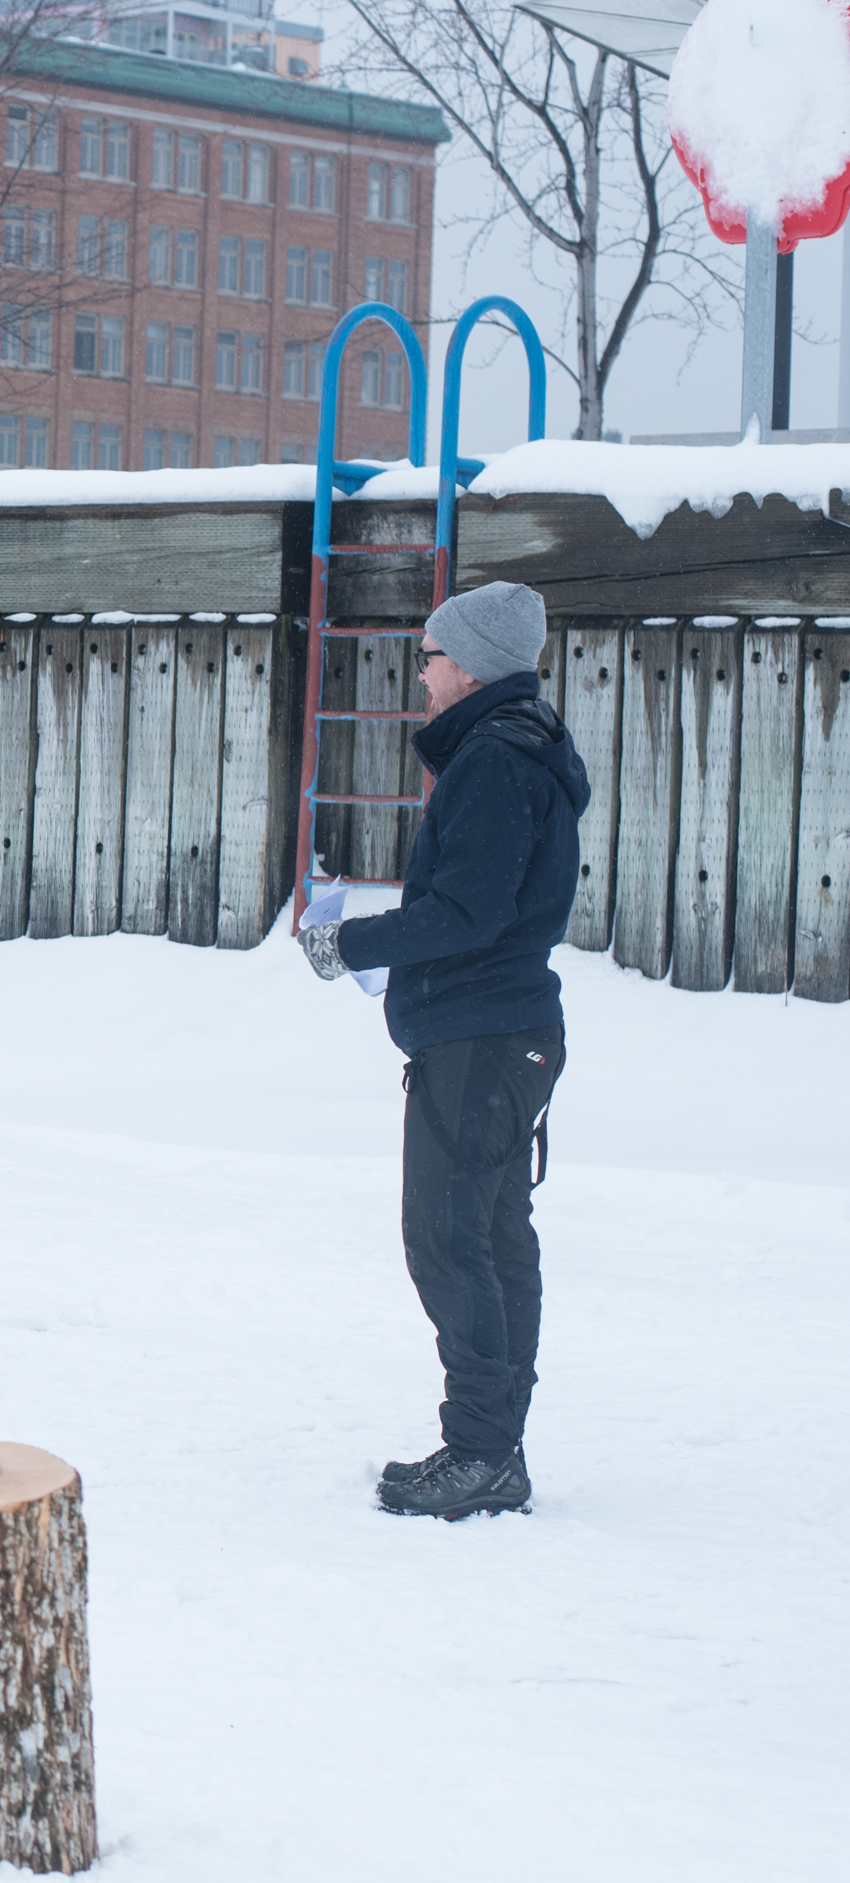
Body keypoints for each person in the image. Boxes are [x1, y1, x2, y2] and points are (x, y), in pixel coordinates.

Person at [299, 582, 589, 1519]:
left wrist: (351, 943)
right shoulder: (516, 748)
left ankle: (482, 1451)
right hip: (503, 1035)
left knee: (448, 1239)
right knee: (494, 1239)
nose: (420, 672)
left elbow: (468, 912)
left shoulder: (496, 761)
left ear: (468, 665)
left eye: (429, 655)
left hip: (482, 1038)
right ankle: (493, 1443)